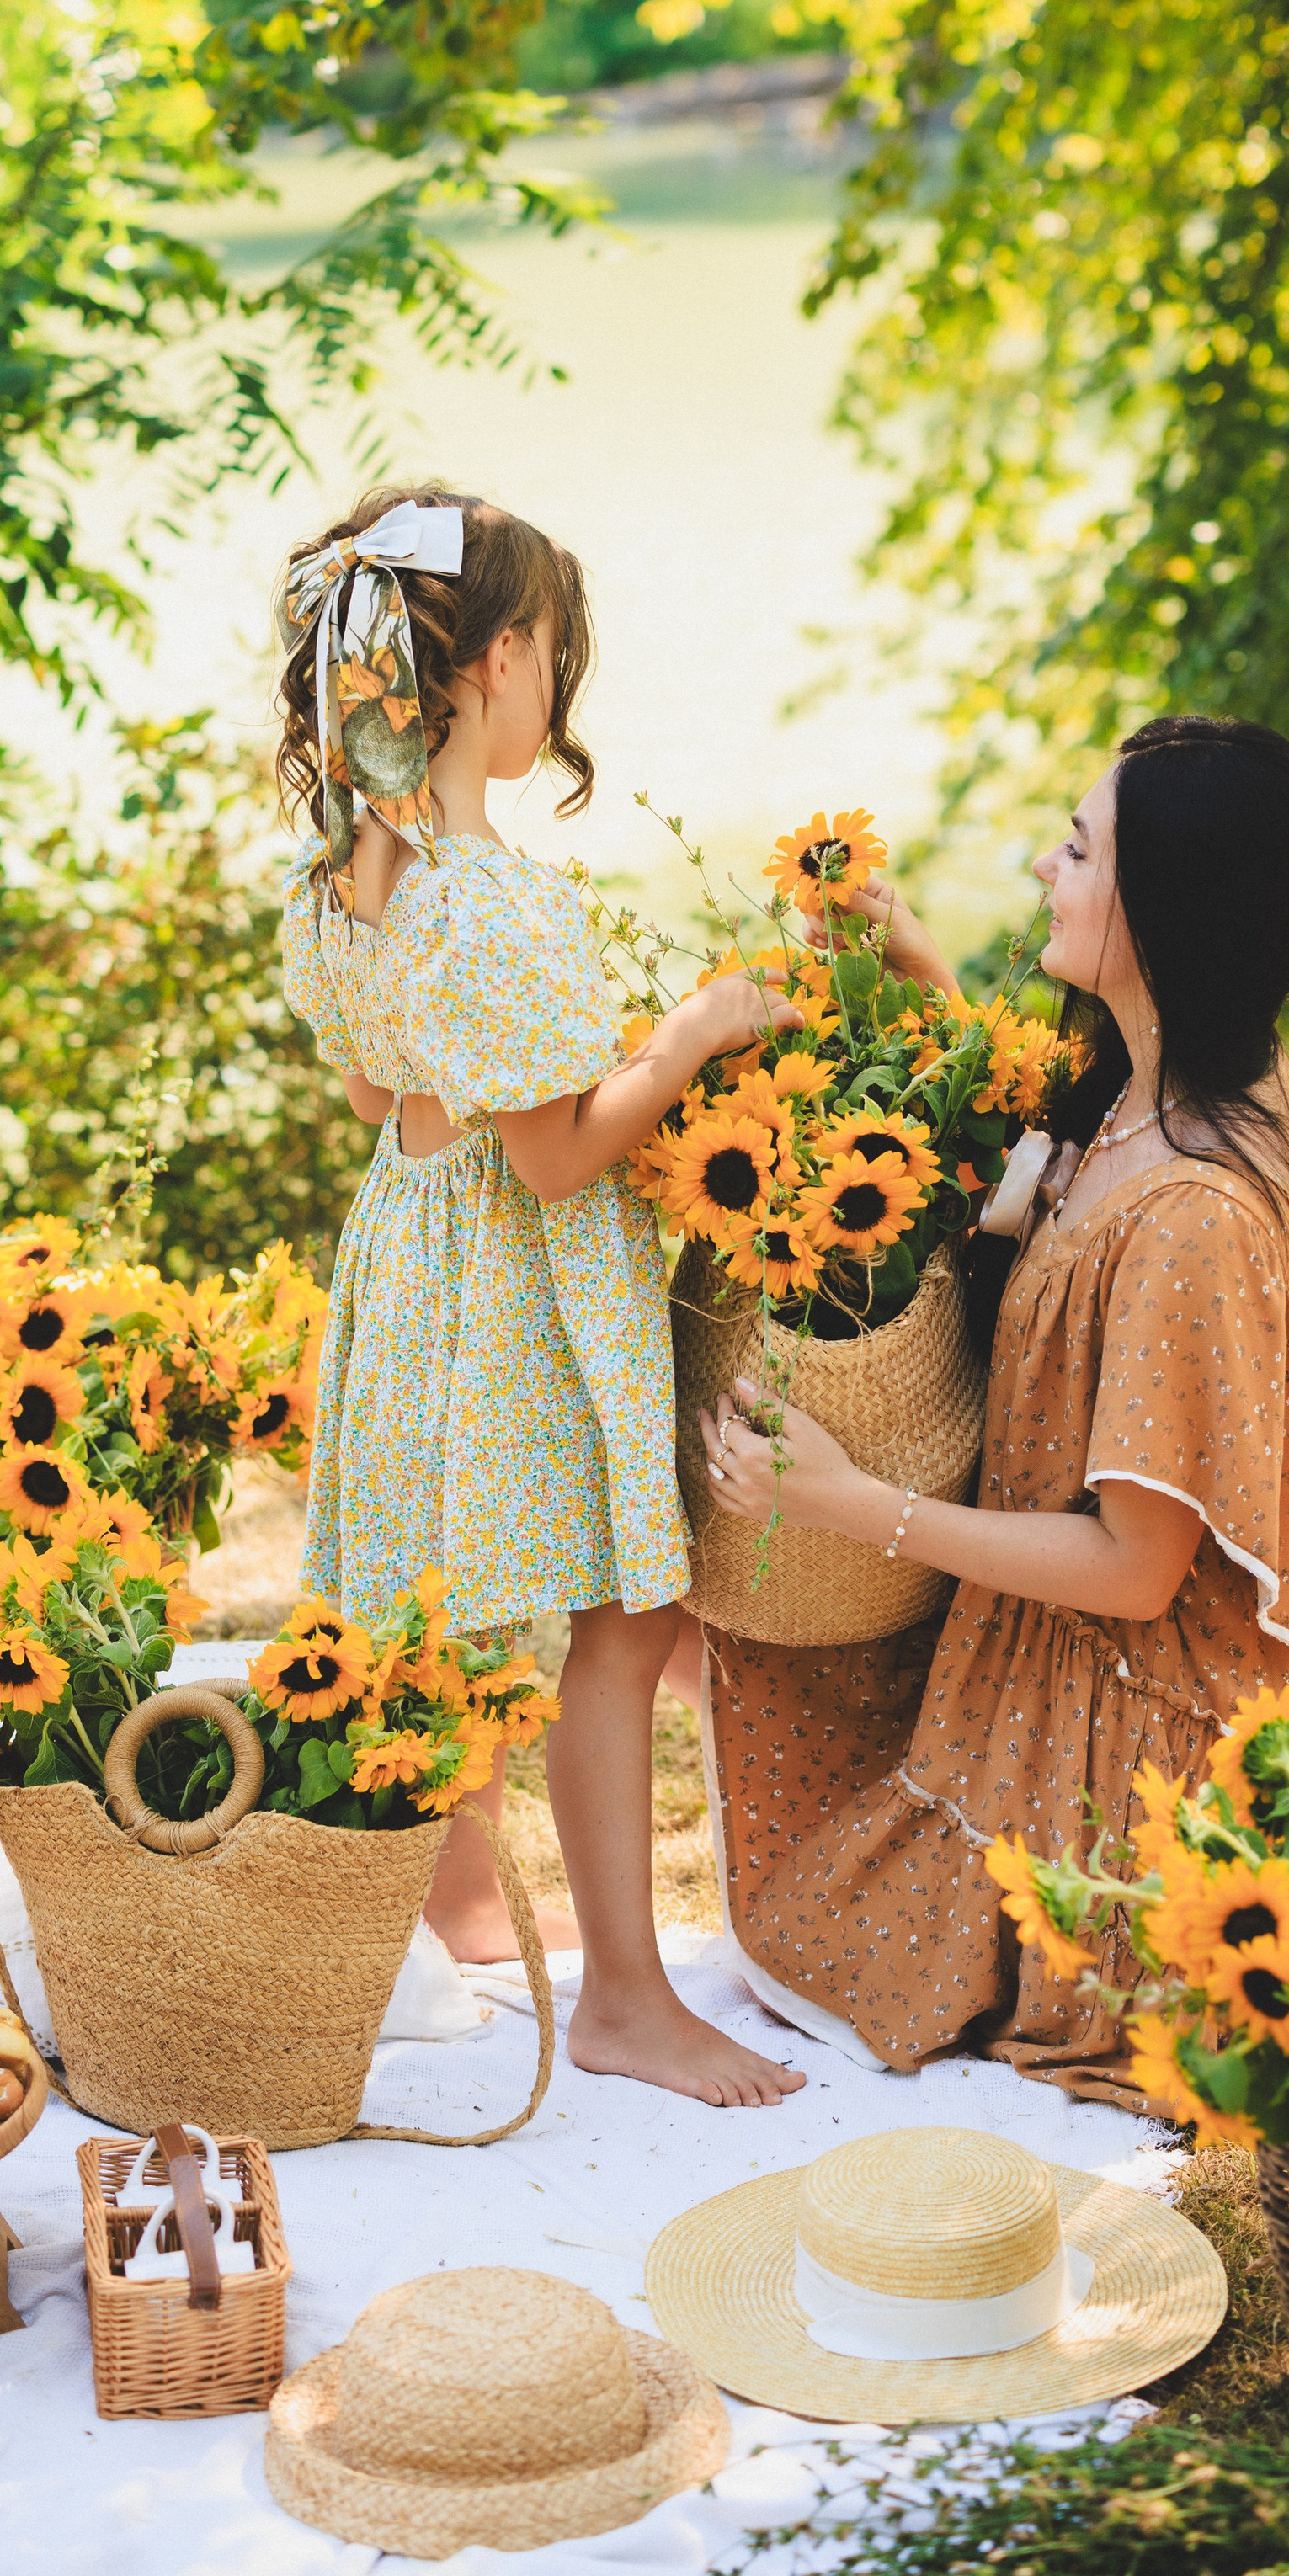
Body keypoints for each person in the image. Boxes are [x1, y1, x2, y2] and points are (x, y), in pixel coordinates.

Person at [693, 714, 1289, 2104]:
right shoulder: (1166, 1080)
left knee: (819, 1925)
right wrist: (920, 971)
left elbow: (1136, 1569)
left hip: (1116, 1733)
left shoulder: (1194, 1218)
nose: (1046, 866)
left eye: (1079, 849)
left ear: (1164, 910)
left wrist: (855, 1504)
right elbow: (1030, 1161)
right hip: (1027, 1649)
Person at [276, 482, 807, 2108]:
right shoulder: (495, 895)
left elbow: (378, 1095)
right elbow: (561, 1154)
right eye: (550, 657)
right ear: (498, 656)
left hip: (411, 1258)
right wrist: (692, 1035)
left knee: (446, 1601)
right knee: (622, 1615)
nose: (551, 693)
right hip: (521, 1289)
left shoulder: (349, 878)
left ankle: (455, 1904)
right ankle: (628, 1998)